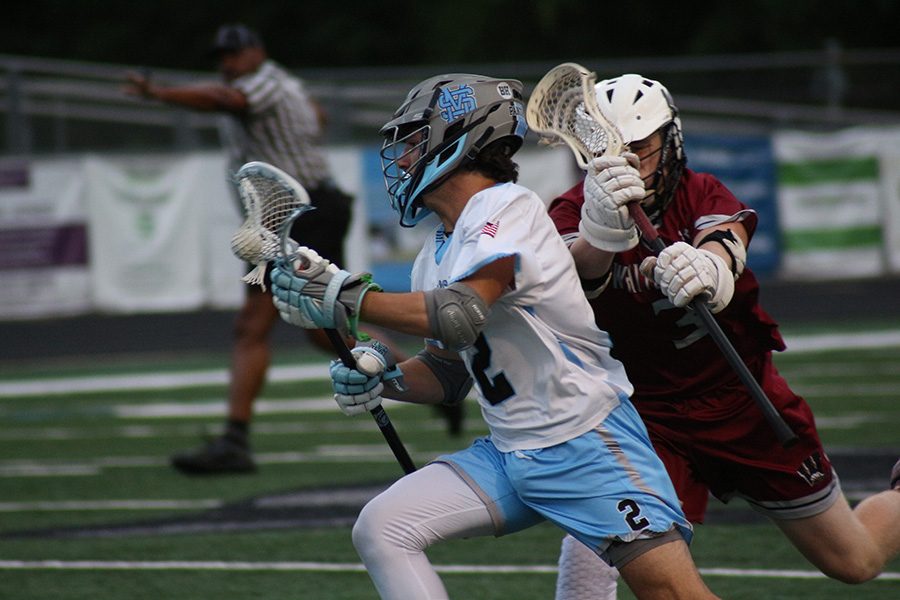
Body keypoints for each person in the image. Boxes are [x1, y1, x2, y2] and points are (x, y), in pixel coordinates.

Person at [268, 73, 718, 599]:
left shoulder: (508, 207)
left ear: (461, 137)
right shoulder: (434, 253)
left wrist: (346, 296)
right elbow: (449, 369)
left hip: (586, 444)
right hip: (512, 452)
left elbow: (460, 315)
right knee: (383, 527)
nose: (405, 160)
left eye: (415, 142)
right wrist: (383, 375)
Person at [546, 73, 900, 598]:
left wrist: (709, 271)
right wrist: (602, 229)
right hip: (646, 417)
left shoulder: (702, 192)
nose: (628, 162)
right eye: (613, 148)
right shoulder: (571, 211)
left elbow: (726, 243)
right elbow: (573, 272)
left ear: (670, 141)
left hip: (743, 405)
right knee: (596, 548)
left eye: (641, 147)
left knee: (855, 560)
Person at [124, 23, 406, 474]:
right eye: (221, 56)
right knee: (318, 329)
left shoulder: (264, 83)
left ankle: (236, 439)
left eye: (234, 54)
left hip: (299, 213)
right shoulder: (285, 84)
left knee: (256, 325)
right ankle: (416, 372)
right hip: (290, 215)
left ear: (257, 52)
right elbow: (319, 116)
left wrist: (158, 93)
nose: (227, 64)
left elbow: (226, 100)